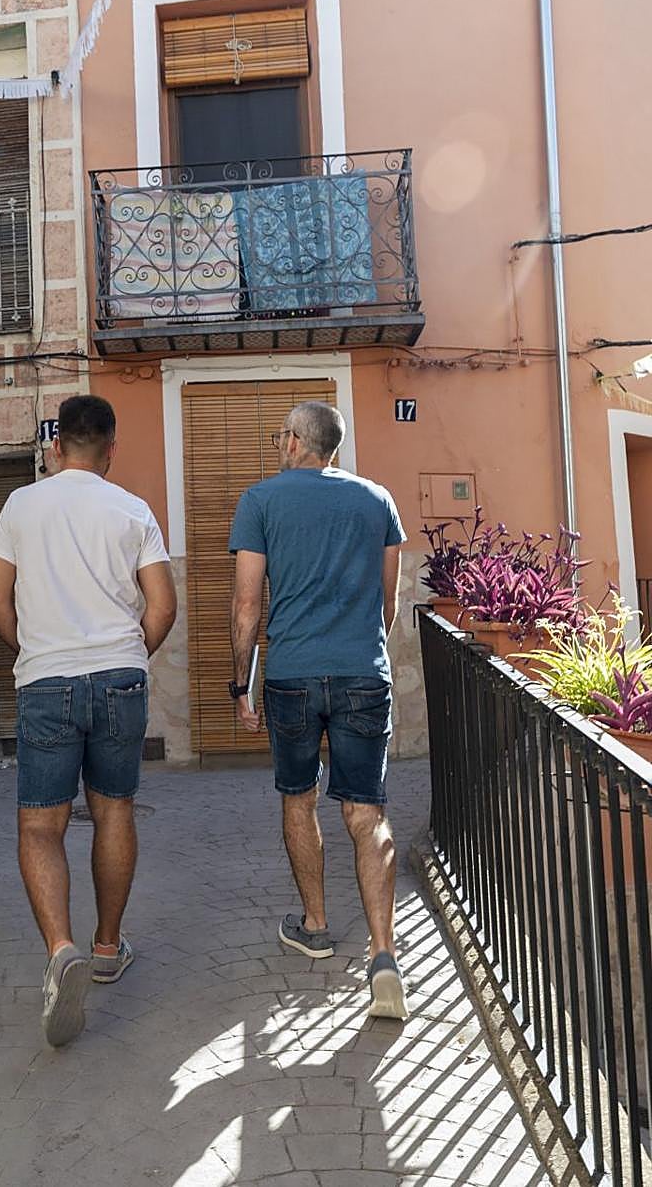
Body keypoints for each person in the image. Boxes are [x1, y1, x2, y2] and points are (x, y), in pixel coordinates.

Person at [0, 394, 177, 1046]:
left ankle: (60, 948)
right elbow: (163, 606)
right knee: (114, 809)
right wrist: (129, 655)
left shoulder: (21, 505)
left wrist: (34, 650)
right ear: (112, 449)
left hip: (47, 680)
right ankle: (105, 946)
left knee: (42, 825)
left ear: (57, 445)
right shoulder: (133, 510)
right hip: (120, 676)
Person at [228, 401, 409, 1020]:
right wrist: (358, 645)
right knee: (367, 811)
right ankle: (383, 954)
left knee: (299, 798)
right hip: (363, 671)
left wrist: (239, 684)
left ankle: (315, 925)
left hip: (292, 678)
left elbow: (246, 605)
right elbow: (389, 605)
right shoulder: (378, 499)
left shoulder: (261, 501)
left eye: (281, 434)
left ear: (294, 443)